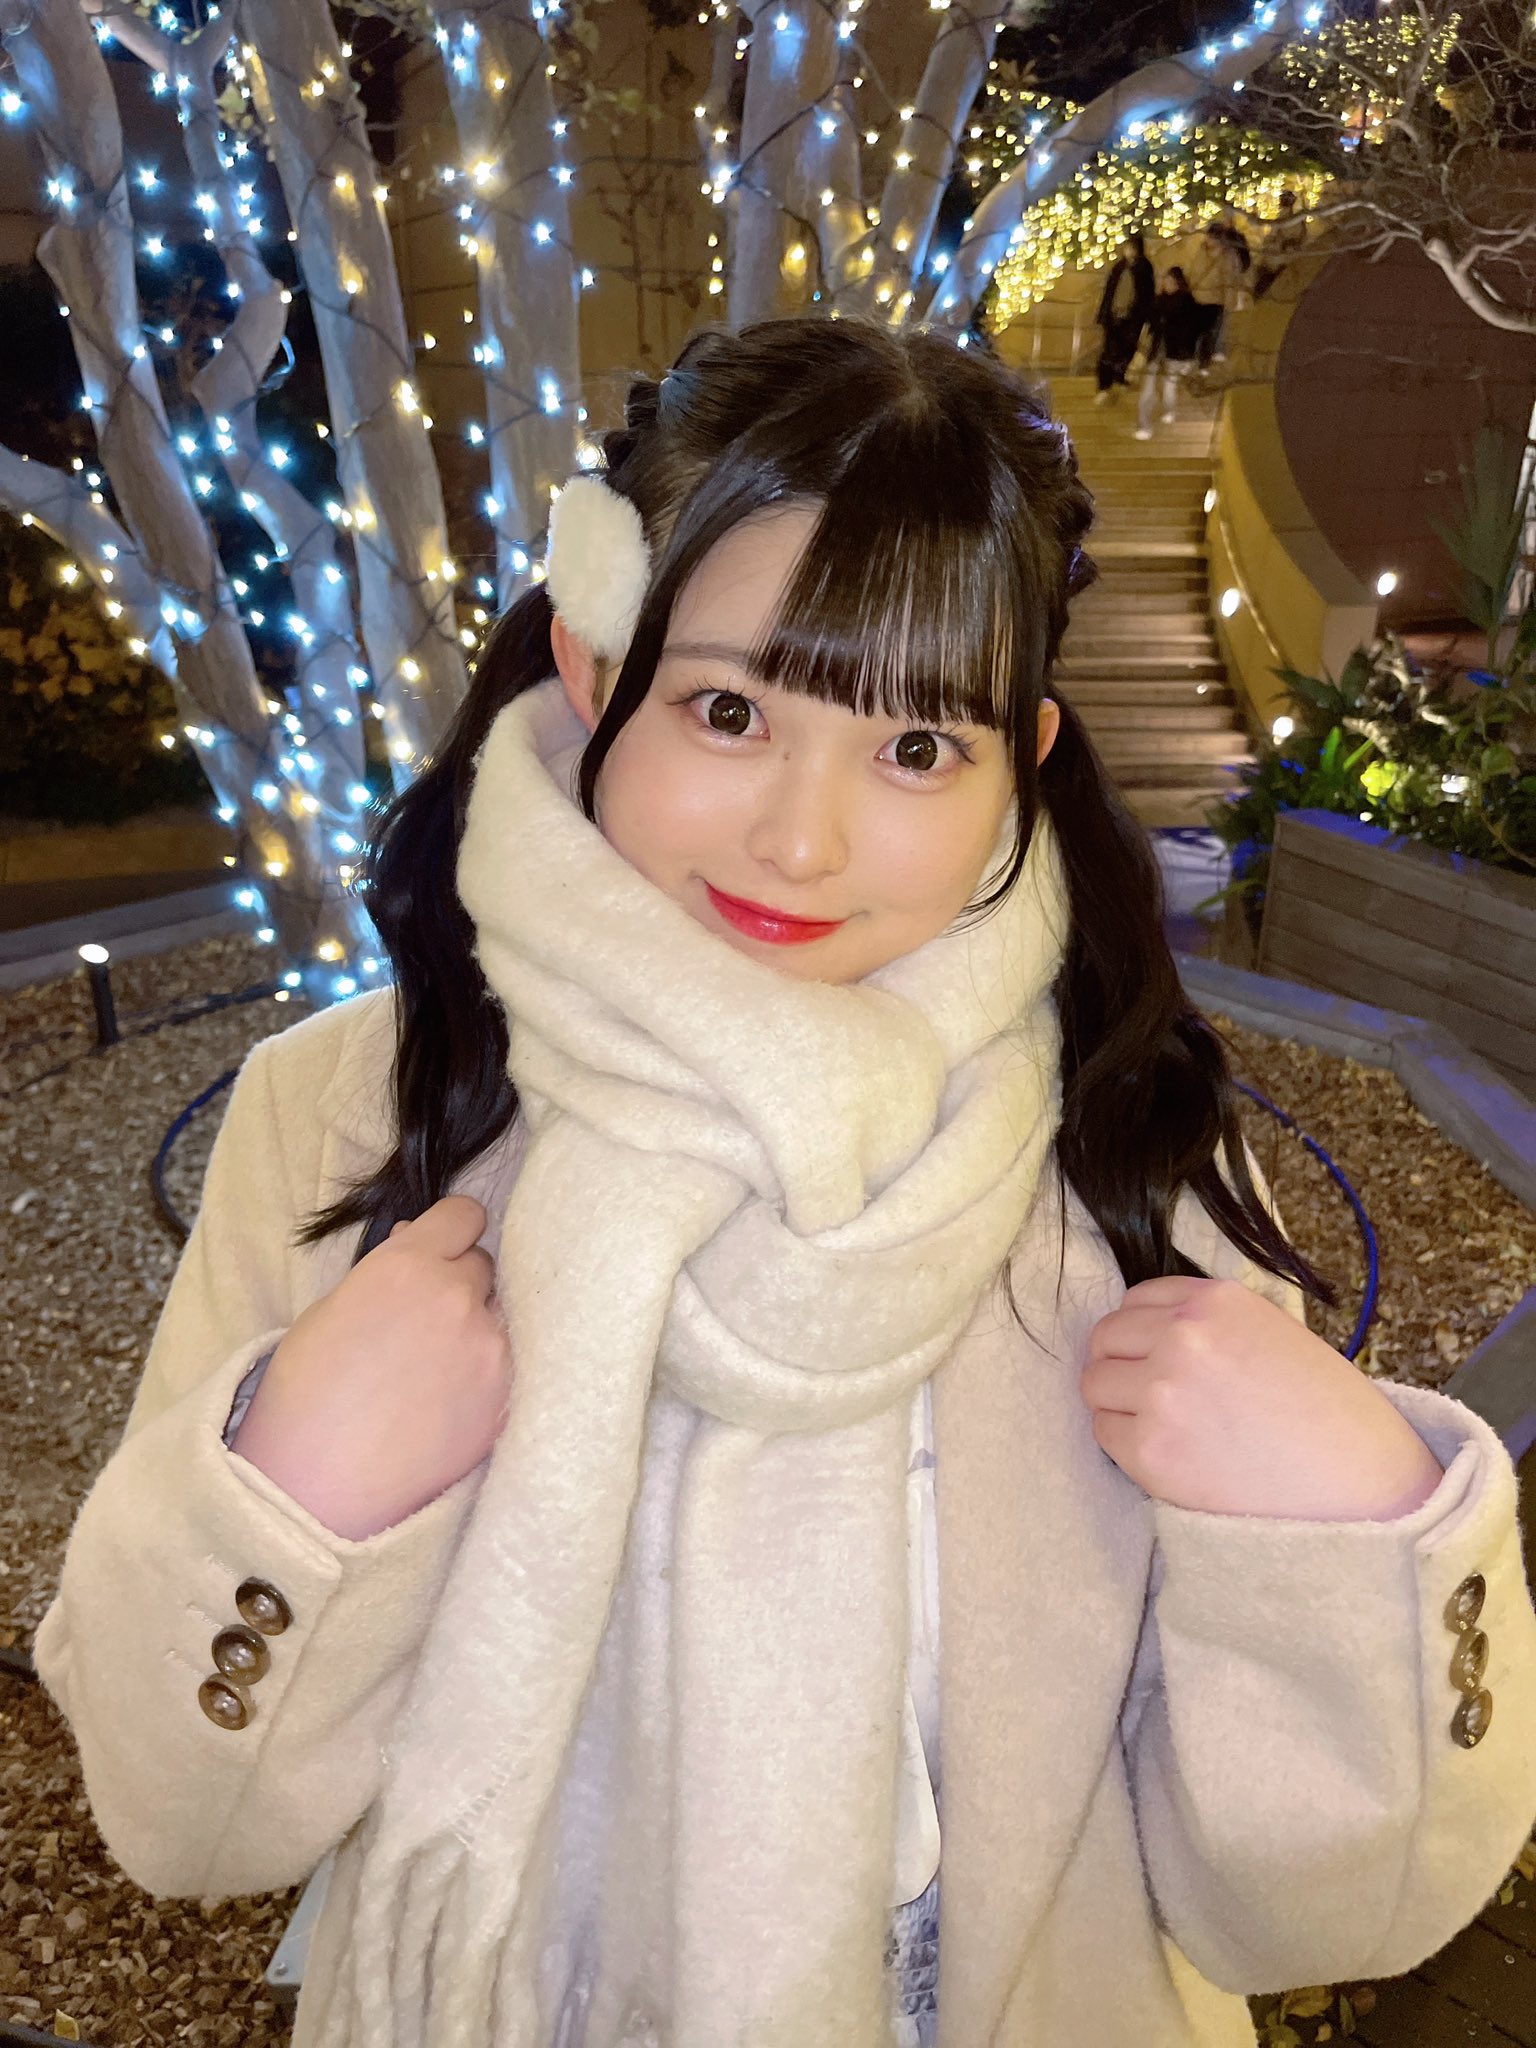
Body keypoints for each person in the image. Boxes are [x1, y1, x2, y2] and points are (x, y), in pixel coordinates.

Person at [34, 315, 1536, 2048]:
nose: (802, 840)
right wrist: (294, 1491)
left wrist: (1349, 1537)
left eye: (917, 748)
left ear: (1025, 756)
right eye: (730, 709)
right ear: (595, 669)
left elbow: (1319, 1917)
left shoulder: (1130, 1139)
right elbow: (177, 1820)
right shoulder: (349, 1118)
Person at [1136, 265, 1206, 437]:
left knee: (1169, 386)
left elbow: (1192, 330)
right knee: (1148, 388)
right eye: (1164, 280)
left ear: (1177, 283)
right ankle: (1144, 426)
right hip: (1156, 350)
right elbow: (1150, 324)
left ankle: (1169, 410)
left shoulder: (1187, 302)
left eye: (1169, 281)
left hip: (1175, 352)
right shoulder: (1158, 301)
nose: (1166, 284)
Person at [1093, 229, 1155, 404]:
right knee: (1108, 352)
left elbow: (1146, 295)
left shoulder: (1144, 268)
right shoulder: (1119, 267)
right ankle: (1104, 385)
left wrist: (1146, 318)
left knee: (1126, 351)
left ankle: (1119, 379)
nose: (1128, 250)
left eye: (1131, 246)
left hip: (1131, 318)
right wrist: (1104, 314)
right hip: (1114, 316)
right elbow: (1109, 292)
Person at [1183, 209, 1250, 367]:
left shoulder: (1228, 255)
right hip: (1198, 296)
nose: (1209, 240)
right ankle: (1194, 358)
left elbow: (1229, 279)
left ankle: (1206, 360)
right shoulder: (1201, 251)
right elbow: (1193, 271)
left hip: (1215, 298)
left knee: (1210, 331)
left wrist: (1230, 300)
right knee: (1195, 329)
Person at [1253, 187, 1307, 297]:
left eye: (1286, 201)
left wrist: (1286, 246)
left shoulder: (1297, 222)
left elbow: (1298, 241)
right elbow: (1269, 237)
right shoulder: (1279, 220)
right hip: (1271, 258)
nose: (1283, 203)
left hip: (1281, 259)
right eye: (1283, 200)